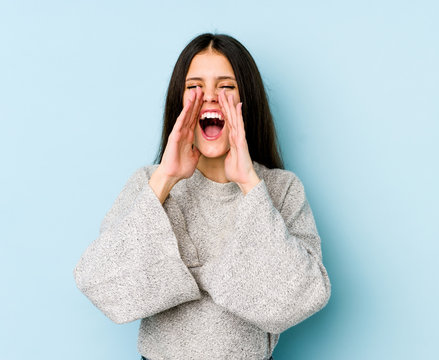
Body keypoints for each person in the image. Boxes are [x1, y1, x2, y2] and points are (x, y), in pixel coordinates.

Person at [73, 33, 331, 360]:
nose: (209, 97)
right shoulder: (149, 183)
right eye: (195, 87)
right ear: (179, 102)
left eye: (226, 87)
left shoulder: (281, 189)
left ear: (245, 101)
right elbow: (100, 282)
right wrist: (166, 177)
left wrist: (249, 183)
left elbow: (304, 296)